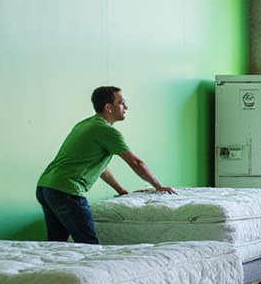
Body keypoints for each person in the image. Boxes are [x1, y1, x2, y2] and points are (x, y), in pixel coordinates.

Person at [36, 86, 177, 244]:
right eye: (122, 102)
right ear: (108, 107)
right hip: (66, 191)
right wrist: (158, 186)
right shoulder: (106, 131)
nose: (126, 107)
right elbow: (136, 163)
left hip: (46, 187)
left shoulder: (85, 124)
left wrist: (121, 190)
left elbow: (100, 168)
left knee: (56, 245)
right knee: (89, 244)